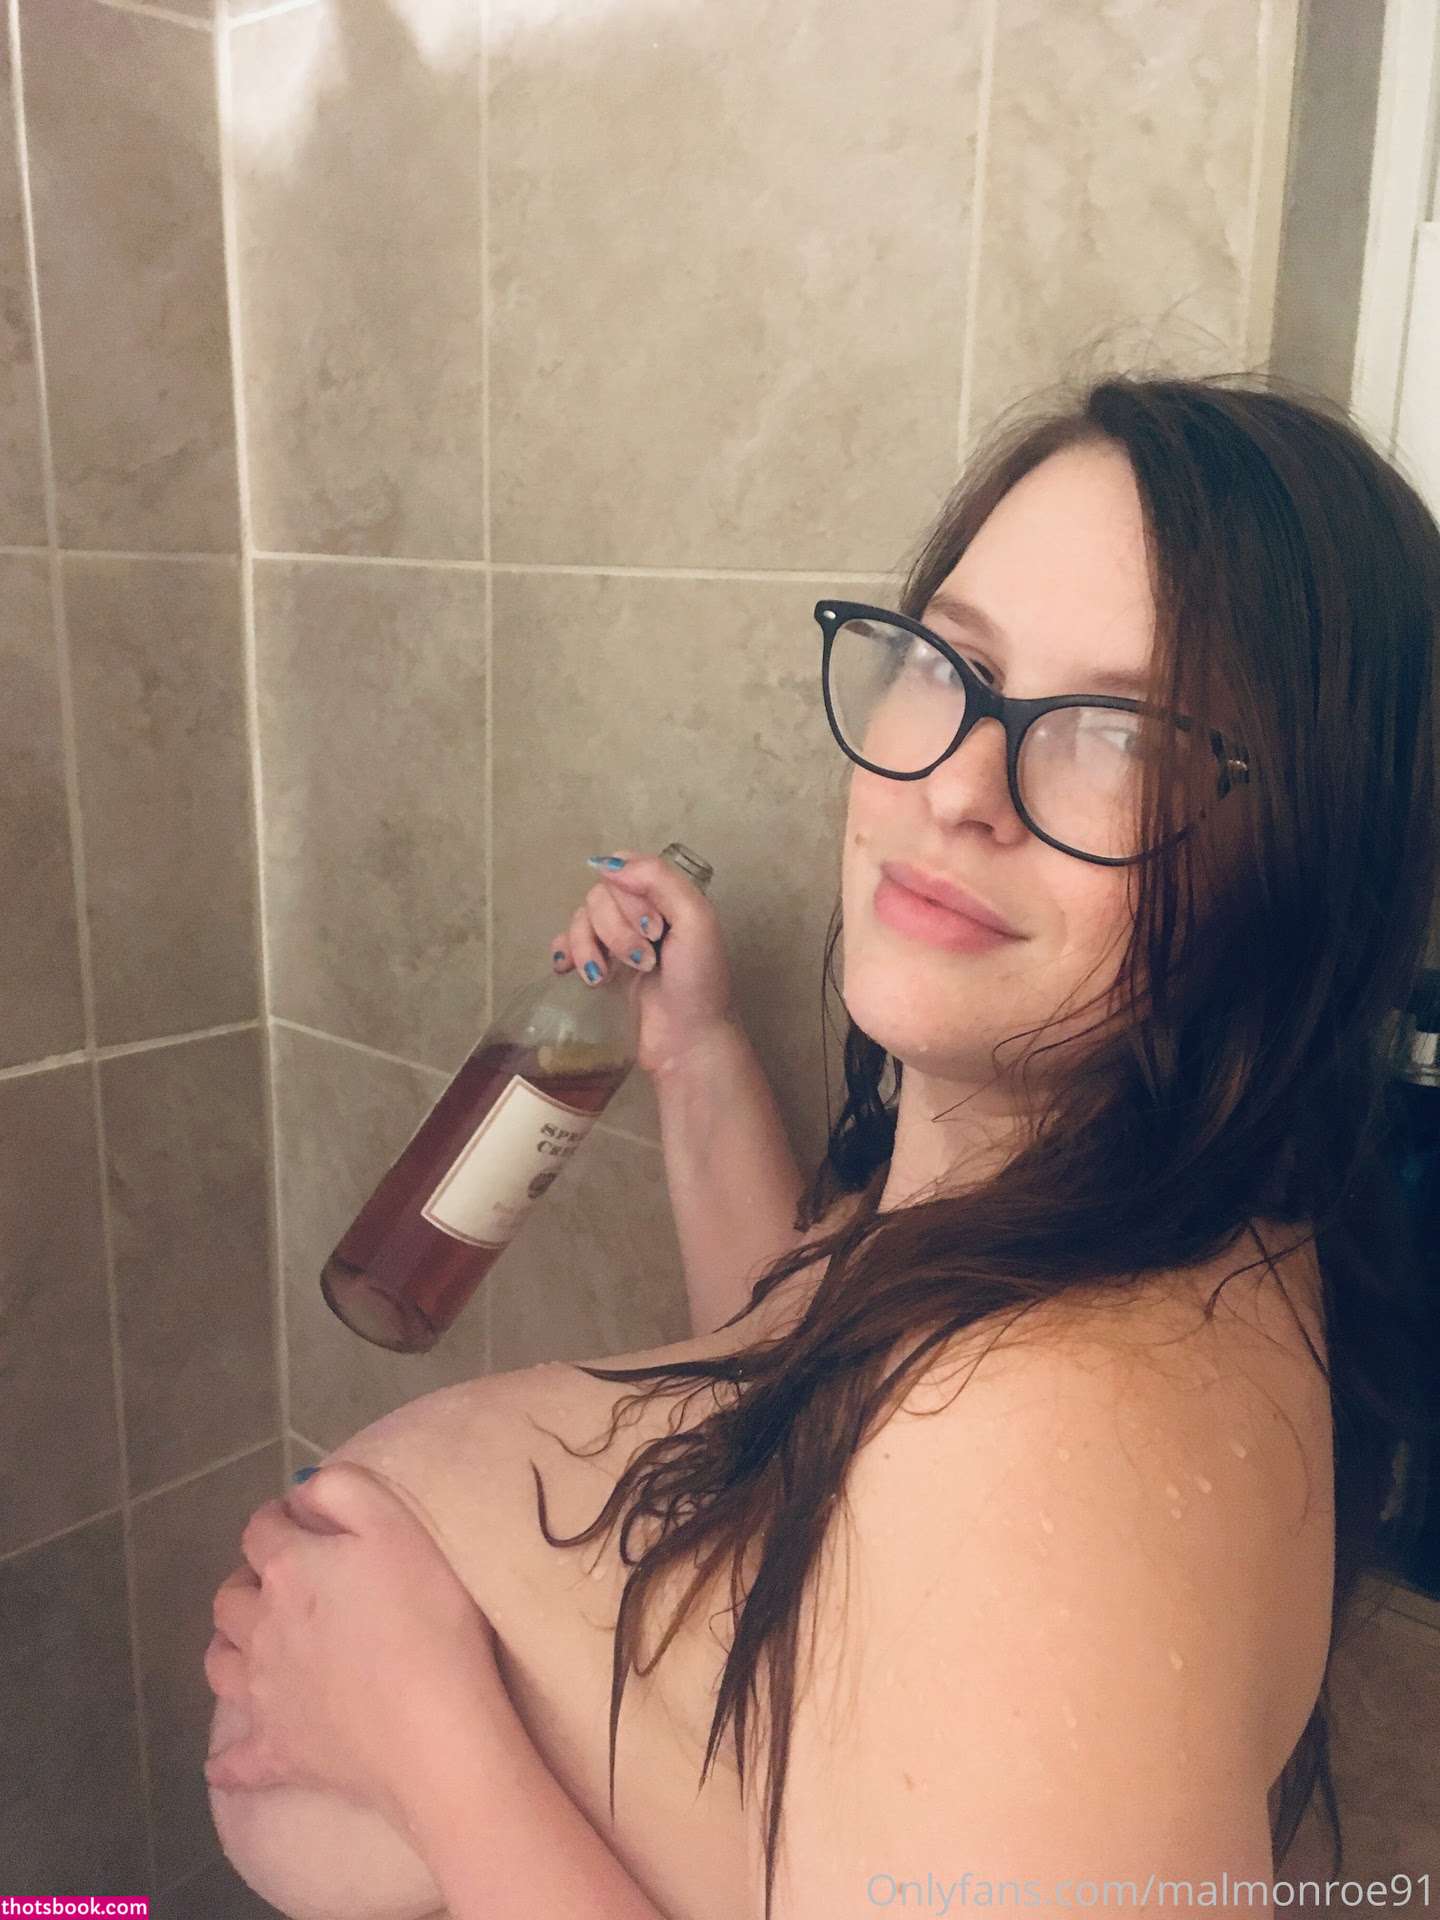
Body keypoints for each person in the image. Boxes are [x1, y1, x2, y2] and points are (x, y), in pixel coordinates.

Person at [202, 370, 1440, 1920]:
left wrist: (423, 1738)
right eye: (951, 665)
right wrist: (698, 1055)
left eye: (1120, 737)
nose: (958, 785)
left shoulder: (1055, 1467)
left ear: (1306, 864)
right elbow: (813, 1421)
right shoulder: (1085, 1212)